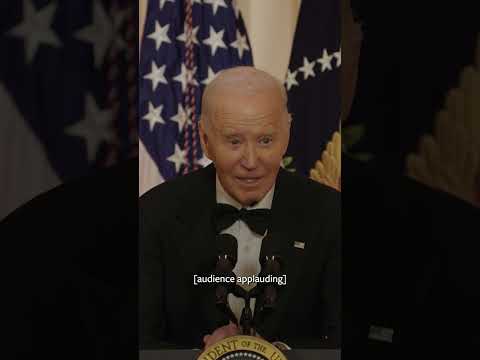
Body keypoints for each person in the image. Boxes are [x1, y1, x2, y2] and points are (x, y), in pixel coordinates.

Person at [139, 66, 341, 350]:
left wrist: (276, 354)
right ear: (205, 140)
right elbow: (141, 340)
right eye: (234, 141)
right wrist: (203, 356)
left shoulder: (331, 213)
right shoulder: (154, 213)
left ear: (287, 134)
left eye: (265, 140)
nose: (251, 161)